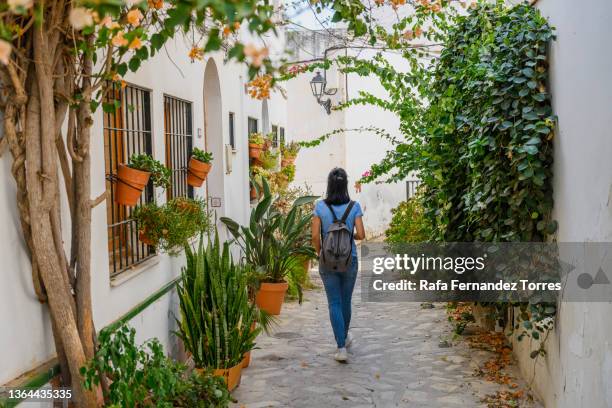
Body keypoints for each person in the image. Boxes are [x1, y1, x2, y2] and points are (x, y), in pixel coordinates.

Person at [312, 167, 366, 363]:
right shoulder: (354, 207)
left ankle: (341, 347)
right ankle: (344, 337)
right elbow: (361, 234)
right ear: (345, 185)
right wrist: (347, 236)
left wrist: (321, 253)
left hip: (327, 262)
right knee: (345, 301)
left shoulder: (320, 207)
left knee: (334, 302)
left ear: (329, 185)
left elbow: (314, 236)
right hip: (349, 260)